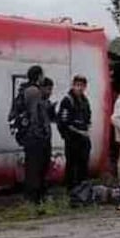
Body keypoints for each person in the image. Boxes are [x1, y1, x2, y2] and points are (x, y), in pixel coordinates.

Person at [22, 75, 54, 204]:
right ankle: (33, 197)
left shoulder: (45, 103)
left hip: (42, 140)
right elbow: (35, 121)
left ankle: (39, 195)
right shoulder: (36, 100)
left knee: (41, 168)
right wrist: (40, 135)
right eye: (48, 89)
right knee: (35, 168)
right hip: (36, 140)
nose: (50, 92)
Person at [57, 75, 92, 190]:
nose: (80, 88)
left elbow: (88, 118)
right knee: (72, 165)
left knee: (83, 164)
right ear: (73, 85)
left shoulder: (84, 100)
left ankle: (83, 188)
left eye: (82, 86)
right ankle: (71, 189)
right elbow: (64, 122)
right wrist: (78, 132)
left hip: (84, 139)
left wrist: (86, 129)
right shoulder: (67, 100)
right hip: (72, 139)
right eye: (77, 85)